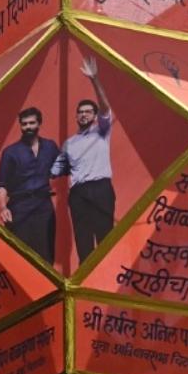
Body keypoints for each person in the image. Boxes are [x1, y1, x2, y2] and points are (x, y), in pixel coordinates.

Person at [52, 56, 115, 263]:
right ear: (76, 117)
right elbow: (54, 170)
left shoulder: (102, 131)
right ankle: (87, 290)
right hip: (78, 194)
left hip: (101, 189)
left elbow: (105, 107)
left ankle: (107, 288)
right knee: (83, 244)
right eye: (80, 112)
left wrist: (94, 79)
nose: (83, 115)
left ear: (95, 116)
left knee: (105, 242)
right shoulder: (69, 143)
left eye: (88, 112)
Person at [0, 107, 61, 263]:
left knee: (46, 256)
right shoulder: (10, 152)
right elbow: (1, 184)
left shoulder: (50, 146)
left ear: (39, 124)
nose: (28, 127)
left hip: (43, 207)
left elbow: (65, 166)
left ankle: (48, 287)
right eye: (24, 124)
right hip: (19, 207)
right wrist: (3, 208)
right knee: (20, 258)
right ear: (20, 126)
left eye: (32, 123)